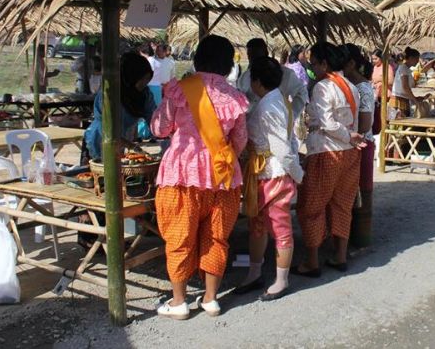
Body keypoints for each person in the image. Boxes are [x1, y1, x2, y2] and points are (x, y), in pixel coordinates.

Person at [151, 35, 248, 319]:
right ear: (229, 64)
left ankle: (179, 301)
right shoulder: (235, 97)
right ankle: (211, 299)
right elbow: (240, 139)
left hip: (183, 173)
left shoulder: (180, 90)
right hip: (223, 176)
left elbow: (159, 128)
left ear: (197, 59)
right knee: (217, 237)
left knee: (180, 236)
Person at [235, 57, 303, 301]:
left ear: (257, 81)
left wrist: (297, 174)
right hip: (263, 171)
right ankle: (256, 273)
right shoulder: (275, 100)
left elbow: (282, 150)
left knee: (278, 227)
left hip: (273, 172)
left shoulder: (269, 106)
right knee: (258, 225)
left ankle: (281, 280)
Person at [293, 42, 363, 277]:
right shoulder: (351, 87)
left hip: (326, 151)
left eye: (314, 63)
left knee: (312, 205)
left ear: (324, 63)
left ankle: (312, 260)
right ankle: (340, 255)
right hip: (349, 153)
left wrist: (347, 135)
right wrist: (350, 137)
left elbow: (326, 123)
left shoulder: (323, 87)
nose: (312, 68)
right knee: (342, 204)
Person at [83, 52, 157, 162]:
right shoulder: (109, 95)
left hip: (122, 143)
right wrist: (132, 146)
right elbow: (110, 131)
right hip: (99, 141)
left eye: (147, 80)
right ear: (130, 77)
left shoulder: (145, 95)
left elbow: (154, 119)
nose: (144, 84)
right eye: (142, 80)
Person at [343, 44, 376, 247]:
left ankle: (361, 237)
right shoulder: (348, 84)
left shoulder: (363, 88)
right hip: (351, 143)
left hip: (361, 145)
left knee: (362, 191)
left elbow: (364, 125)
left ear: (352, 64)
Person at [238, 38, 308, 122]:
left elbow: (302, 93)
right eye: (251, 56)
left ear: (266, 53)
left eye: (257, 56)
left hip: (277, 122)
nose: (254, 60)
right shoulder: (245, 77)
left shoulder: (286, 74)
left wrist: (291, 115)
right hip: (251, 127)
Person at [390, 47, 423, 118]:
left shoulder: (407, 69)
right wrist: (415, 100)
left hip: (404, 99)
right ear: (411, 58)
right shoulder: (403, 68)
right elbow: (405, 87)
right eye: (417, 59)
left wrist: (415, 98)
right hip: (398, 100)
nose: (418, 61)